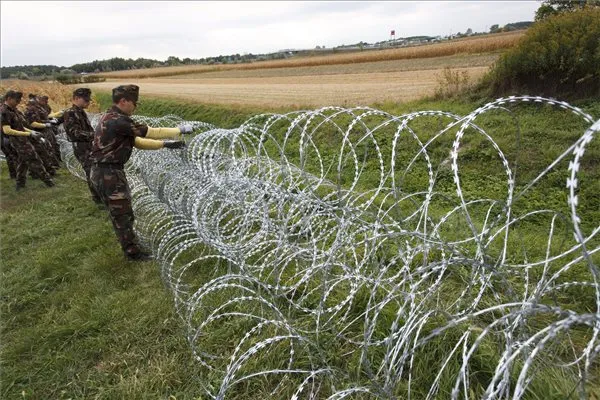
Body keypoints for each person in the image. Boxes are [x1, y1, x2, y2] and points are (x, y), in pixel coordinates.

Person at [90, 84, 193, 261]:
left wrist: (165, 145)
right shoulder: (118, 120)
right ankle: (133, 253)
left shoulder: (110, 116)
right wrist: (179, 130)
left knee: (121, 212)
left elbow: (136, 142)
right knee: (122, 213)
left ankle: (130, 245)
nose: (135, 107)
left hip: (105, 171)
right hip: (108, 173)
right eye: (134, 103)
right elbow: (149, 132)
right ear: (123, 101)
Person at [0, 90, 55, 190]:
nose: (19, 102)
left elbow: (19, 126)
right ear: (9, 99)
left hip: (23, 138)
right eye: (16, 100)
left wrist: (31, 132)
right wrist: (29, 133)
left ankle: (20, 185)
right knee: (34, 159)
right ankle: (48, 181)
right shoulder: (4, 111)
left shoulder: (13, 110)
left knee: (23, 162)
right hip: (17, 141)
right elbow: (7, 130)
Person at [62, 88, 102, 204]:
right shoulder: (70, 113)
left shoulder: (80, 111)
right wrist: (95, 135)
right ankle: (98, 199)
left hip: (87, 145)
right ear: (76, 98)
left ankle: (99, 197)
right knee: (91, 172)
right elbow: (75, 133)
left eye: (88, 99)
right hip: (81, 147)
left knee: (94, 170)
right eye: (85, 100)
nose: (88, 102)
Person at [24, 94, 60, 175]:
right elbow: (32, 123)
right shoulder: (29, 112)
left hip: (42, 131)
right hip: (38, 132)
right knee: (44, 151)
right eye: (34, 105)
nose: (35, 107)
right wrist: (46, 124)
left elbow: (43, 118)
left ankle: (51, 167)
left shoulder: (36, 110)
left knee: (49, 149)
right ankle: (44, 170)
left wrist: (49, 120)